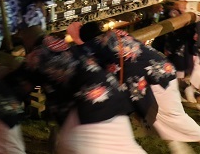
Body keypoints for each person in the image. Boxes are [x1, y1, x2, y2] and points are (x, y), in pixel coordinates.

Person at [77, 21, 200, 154]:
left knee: (174, 117)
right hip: (158, 74)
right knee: (153, 117)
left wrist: (77, 38)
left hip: (157, 78)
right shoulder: (117, 34)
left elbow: (82, 55)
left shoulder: (98, 44)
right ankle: (178, 147)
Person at [14, 25, 144, 153]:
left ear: (25, 37)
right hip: (113, 105)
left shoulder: (36, 57)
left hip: (87, 119)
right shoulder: (73, 49)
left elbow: (16, 86)